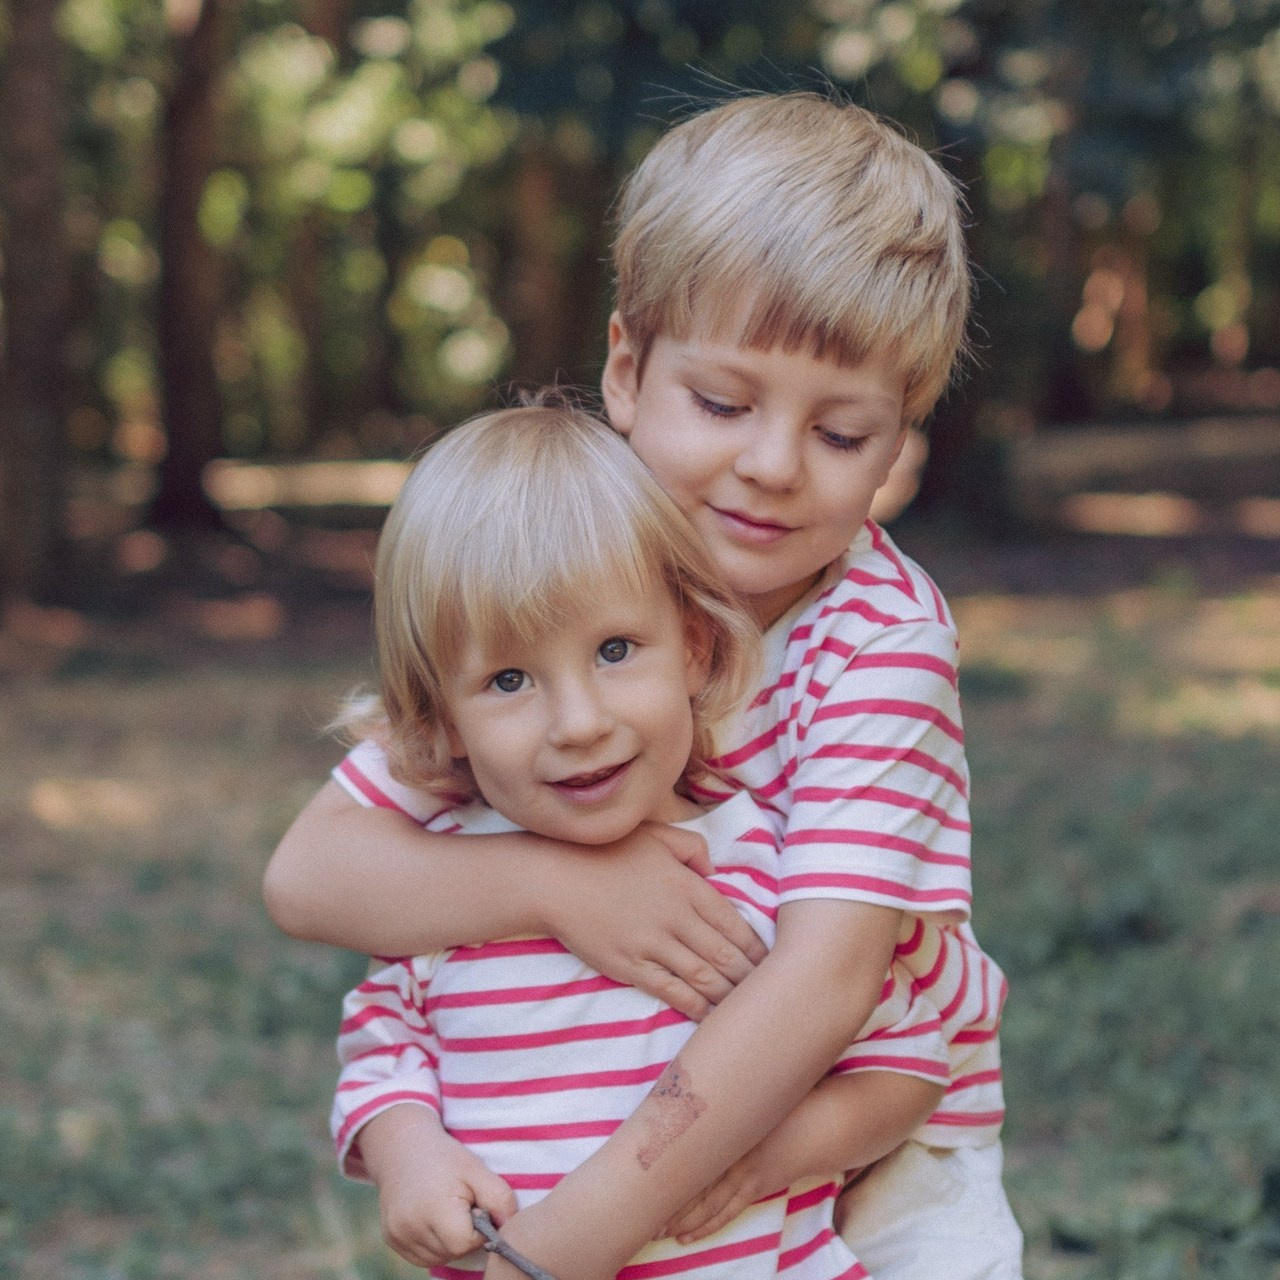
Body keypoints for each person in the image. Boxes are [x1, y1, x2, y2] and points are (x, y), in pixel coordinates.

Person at [265, 90, 1023, 1280]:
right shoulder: (565, 574)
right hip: (615, 1110)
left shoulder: (881, 644)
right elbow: (310, 876)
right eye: (721, 403)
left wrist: (561, 1245)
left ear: (904, 440)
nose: (768, 467)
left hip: (869, 1138)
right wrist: (564, 884)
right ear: (626, 367)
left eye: (841, 435)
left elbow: (827, 981)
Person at [330, 402, 952, 1279]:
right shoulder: (444, 885)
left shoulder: (762, 869)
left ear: (696, 648)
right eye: (509, 679)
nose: (579, 723)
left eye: (616, 650)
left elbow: (906, 1069)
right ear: (442, 720)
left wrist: (761, 1155)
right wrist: (409, 1158)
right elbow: (383, 1054)